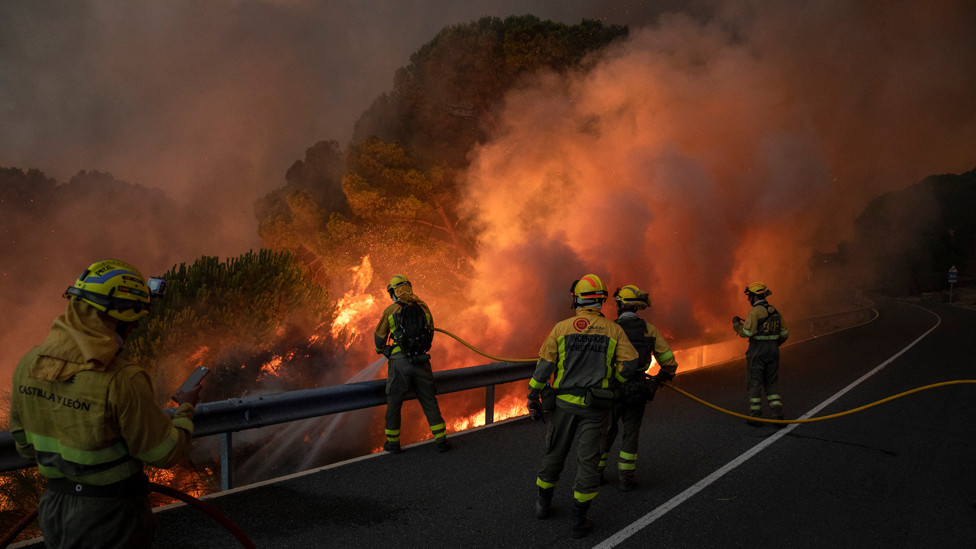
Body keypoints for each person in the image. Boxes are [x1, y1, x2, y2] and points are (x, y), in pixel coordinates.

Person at [9, 259, 202, 548]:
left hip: (54, 510)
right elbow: (163, 453)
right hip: (111, 514)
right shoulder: (122, 378)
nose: (135, 325)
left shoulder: (29, 364)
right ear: (116, 318)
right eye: (132, 317)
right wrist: (186, 409)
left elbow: (24, 447)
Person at [526, 274, 641, 539]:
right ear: (602, 300)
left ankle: (543, 505)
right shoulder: (613, 330)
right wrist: (614, 381)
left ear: (576, 299)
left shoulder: (561, 328)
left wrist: (533, 393)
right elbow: (631, 364)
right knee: (588, 462)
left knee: (554, 453)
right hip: (595, 407)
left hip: (564, 405)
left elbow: (544, 367)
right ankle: (579, 520)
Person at [598, 284, 678, 492]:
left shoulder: (610, 329)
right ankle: (626, 477)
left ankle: (596, 473)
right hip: (637, 388)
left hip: (612, 388)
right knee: (631, 432)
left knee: (605, 430)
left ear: (622, 305)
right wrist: (660, 379)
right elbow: (669, 362)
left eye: (617, 303)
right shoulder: (649, 330)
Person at [373, 274, 450, 453]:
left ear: (394, 292)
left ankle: (393, 443)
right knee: (429, 400)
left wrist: (384, 351)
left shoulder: (391, 311)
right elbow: (430, 332)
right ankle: (441, 440)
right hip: (421, 361)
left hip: (399, 363)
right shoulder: (423, 307)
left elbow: (379, 338)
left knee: (394, 402)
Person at [732, 282, 789, 426]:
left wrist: (736, 325)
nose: (748, 299)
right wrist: (774, 344)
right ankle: (777, 416)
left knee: (754, 382)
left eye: (749, 296)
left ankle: (756, 416)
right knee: (771, 383)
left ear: (755, 296)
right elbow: (784, 334)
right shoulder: (775, 311)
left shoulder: (755, 312)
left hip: (757, 350)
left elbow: (747, 332)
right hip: (773, 350)